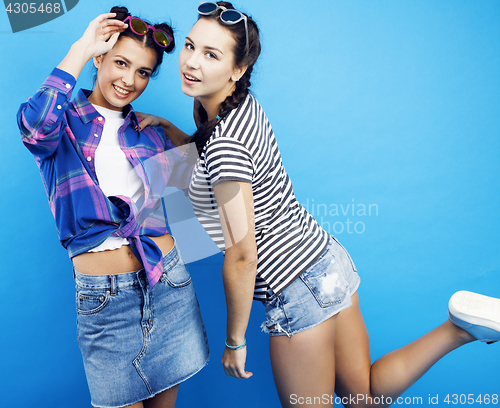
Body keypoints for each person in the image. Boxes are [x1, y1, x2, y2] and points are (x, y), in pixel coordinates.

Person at [141, 2, 500, 407]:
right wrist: (173, 132)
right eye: (189, 46)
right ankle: (459, 330)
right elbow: (220, 162)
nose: (191, 62)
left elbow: (242, 254)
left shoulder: (224, 144)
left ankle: (459, 331)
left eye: (211, 55)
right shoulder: (236, 106)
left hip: (294, 286)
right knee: (361, 395)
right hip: (327, 262)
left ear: (236, 69)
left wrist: (235, 341)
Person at [17, 7, 208, 408]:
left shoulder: (148, 132)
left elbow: (204, 197)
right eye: (121, 62)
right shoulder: (64, 122)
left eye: (143, 72)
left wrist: (175, 133)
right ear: (100, 57)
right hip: (104, 302)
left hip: (168, 286)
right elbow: (34, 129)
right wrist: (82, 47)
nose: (129, 80)